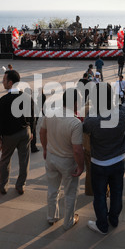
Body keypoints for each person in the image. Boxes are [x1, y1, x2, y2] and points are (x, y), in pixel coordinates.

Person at [83, 81, 125, 235]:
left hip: (99, 162)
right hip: (118, 160)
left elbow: (85, 129)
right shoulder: (121, 113)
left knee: (100, 195)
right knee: (117, 191)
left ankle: (102, 225)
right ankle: (113, 219)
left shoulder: (91, 119)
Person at [39, 89, 84, 230]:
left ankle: (51, 217)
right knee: (70, 192)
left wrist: (45, 148)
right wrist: (81, 166)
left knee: (53, 189)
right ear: (75, 103)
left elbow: (42, 131)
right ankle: (68, 221)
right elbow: (77, 149)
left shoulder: (51, 113)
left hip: (51, 157)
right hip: (67, 161)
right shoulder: (75, 123)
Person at [0, 70, 34, 195]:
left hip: (9, 135)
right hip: (24, 132)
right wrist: (31, 131)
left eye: (4, 80)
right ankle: (20, 185)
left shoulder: (3, 100)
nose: (2, 82)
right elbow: (33, 116)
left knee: (5, 160)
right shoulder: (27, 97)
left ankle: (3, 186)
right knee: (24, 160)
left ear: (10, 82)